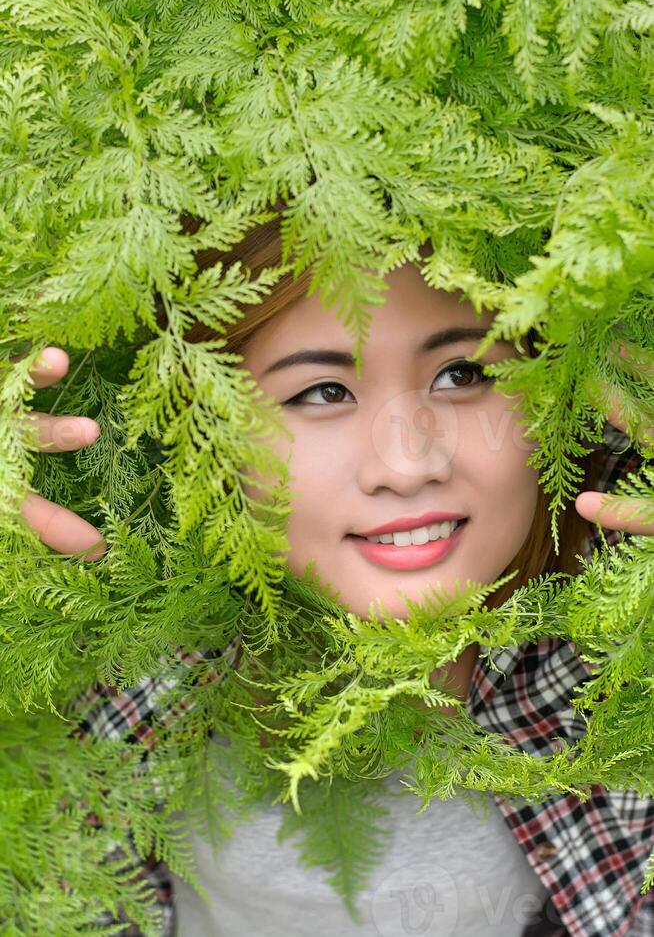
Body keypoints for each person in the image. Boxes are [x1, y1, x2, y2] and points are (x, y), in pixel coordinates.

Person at [20, 216, 654, 936]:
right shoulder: (102, 623)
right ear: (201, 436)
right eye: (321, 392)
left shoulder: (627, 622)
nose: (408, 463)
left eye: (463, 374)